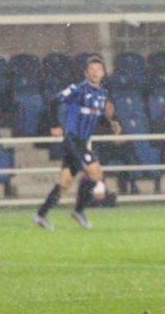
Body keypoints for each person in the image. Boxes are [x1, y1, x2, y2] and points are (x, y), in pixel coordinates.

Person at [34, 56, 119, 231]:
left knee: (65, 182)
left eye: (98, 69)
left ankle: (41, 215)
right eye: (91, 69)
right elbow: (54, 102)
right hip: (72, 139)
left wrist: (111, 124)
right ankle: (79, 211)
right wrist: (55, 125)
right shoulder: (77, 89)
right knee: (96, 172)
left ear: (103, 73)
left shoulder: (102, 94)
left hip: (82, 142)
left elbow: (98, 116)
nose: (95, 73)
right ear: (86, 73)